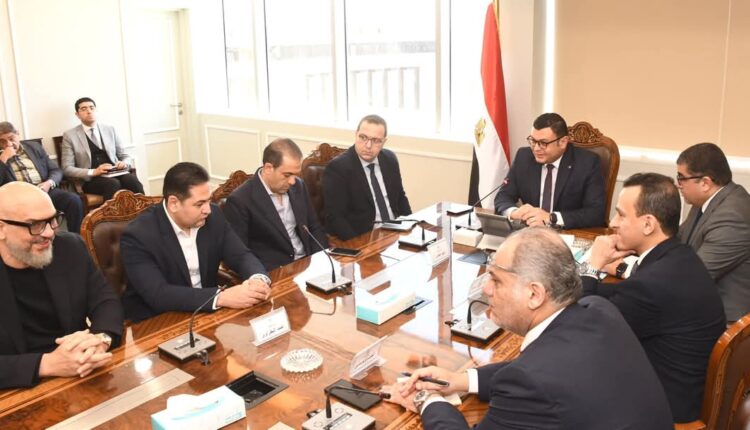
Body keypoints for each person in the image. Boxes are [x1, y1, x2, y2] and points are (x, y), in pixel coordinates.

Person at [385, 228, 673, 429]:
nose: (486, 289)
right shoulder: (597, 309)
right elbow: (534, 370)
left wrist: (427, 399)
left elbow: (531, 377)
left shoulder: (531, 381)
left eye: (496, 280)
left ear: (535, 294)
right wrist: (462, 380)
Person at [582, 172, 726, 422]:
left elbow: (583, 328)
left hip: (666, 408)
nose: (613, 222)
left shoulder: (653, 284)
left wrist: (592, 266)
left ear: (648, 224)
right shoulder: (679, 256)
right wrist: (586, 283)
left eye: (621, 215)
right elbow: (621, 294)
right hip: (689, 389)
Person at [0, 182, 123, 389]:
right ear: (1, 229)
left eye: (52, 220)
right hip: (17, 389)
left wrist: (100, 341)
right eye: (35, 225)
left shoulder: (69, 247)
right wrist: (46, 364)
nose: (49, 233)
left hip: (84, 369)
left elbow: (106, 301)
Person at [120, 162, 271, 323]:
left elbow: (241, 255)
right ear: (174, 203)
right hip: (158, 320)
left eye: (208, 201)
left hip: (207, 315)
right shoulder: (138, 235)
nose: (208, 210)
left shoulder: (213, 217)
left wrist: (258, 279)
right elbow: (158, 294)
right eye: (200, 204)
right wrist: (221, 297)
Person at [224, 138, 328, 271]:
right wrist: (261, 276)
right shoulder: (240, 200)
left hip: (307, 264)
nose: (292, 181)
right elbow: (239, 253)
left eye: (295, 175)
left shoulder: (298, 186)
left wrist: (322, 261)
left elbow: (314, 227)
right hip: (274, 272)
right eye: (287, 175)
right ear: (268, 168)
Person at [676, 143, 750, 323]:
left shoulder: (732, 216)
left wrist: (628, 268)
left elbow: (694, 276)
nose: (678, 185)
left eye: (681, 178)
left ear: (705, 183)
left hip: (726, 324)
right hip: (698, 305)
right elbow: (676, 243)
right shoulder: (705, 201)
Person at [493, 113, 605, 229]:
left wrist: (551, 218)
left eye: (543, 143)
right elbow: (503, 196)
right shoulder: (524, 157)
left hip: (567, 234)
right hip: (530, 232)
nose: (536, 148)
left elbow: (595, 213)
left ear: (563, 142)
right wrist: (514, 212)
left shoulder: (587, 163)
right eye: (533, 141)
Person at [323, 114, 411, 240]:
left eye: (376, 140)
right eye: (363, 137)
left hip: (395, 232)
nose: (368, 145)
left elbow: (400, 197)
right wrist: (358, 245)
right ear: (356, 135)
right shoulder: (338, 168)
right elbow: (335, 217)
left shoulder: (390, 159)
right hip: (364, 237)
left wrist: (410, 228)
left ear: (384, 142)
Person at [0, 122, 83, 233]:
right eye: (2, 141)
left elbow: (55, 170)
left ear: (18, 134)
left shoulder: (34, 147)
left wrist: (49, 183)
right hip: (20, 198)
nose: (9, 144)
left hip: (44, 190)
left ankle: (76, 238)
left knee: (73, 200)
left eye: (11, 138)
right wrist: (3, 160)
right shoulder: (1, 157)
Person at [61, 97, 144, 201]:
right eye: (84, 109)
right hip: (91, 180)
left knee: (132, 180)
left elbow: (124, 156)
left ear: (96, 110)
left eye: (91, 108)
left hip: (115, 172)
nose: (89, 111)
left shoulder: (110, 129)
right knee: (112, 184)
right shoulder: (70, 135)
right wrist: (94, 172)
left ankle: (146, 210)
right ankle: (111, 213)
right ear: (77, 114)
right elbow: (67, 168)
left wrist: (124, 163)